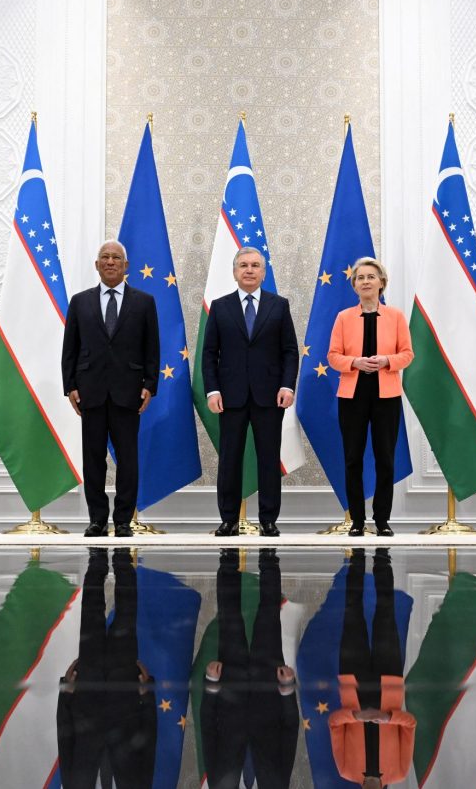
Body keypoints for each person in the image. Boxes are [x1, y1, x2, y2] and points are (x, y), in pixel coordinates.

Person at [62, 240, 159, 537]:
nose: (110, 262)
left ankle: (123, 521)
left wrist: (150, 385)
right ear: (97, 265)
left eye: (116, 257)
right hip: (90, 391)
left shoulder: (144, 302)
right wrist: (70, 386)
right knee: (93, 460)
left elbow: (151, 348)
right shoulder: (80, 302)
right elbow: (70, 348)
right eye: (104, 257)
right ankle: (97, 519)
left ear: (126, 265)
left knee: (128, 459)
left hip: (128, 391)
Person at [202, 248, 299, 537]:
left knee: (268, 459)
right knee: (230, 458)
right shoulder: (220, 307)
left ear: (264, 272)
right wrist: (212, 390)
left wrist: (287, 385)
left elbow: (290, 351)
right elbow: (209, 354)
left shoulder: (278, 305)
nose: (249, 270)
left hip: (270, 396)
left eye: (255, 265)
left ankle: (268, 519)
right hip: (229, 397)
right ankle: (228, 519)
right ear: (234, 272)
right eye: (243, 265)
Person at [326, 257, 414, 536]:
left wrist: (387, 360)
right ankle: (357, 522)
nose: (365, 281)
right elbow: (332, 356)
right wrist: (355, 363)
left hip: (386, 395)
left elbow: (408, 354)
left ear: (381, 283)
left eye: (371, 277)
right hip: (352, 395)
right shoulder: (343, 317)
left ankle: (382, 520)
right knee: (353, 458)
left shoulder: (396, 316)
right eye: (360, 277)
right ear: (354, 286)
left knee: (385, 458)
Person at [57, 548, 156, 789]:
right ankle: (123, 557)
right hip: (126, 693)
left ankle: (96, 558)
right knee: (126, 615)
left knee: (91, 614)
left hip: (86, 687)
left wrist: (66, 693)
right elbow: (148, 744)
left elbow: (66, 742)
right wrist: (148, 695)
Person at [201, 548, 299, 788]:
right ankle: (269, 557)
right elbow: (289, 730)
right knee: (268, 613)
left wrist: (212, 684)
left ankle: (228, 558)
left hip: (228, 683)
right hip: (270, 683)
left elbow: (207, 727)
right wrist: (287, 689)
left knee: (229, 616)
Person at [328, 549, 415, 789]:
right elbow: (410, 724)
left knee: (352, 611)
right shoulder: (399, 772)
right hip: (389, 682)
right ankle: (382, 556)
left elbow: (334, 723)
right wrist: (388, 718)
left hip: (353, 683)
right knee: (385, 613)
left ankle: (356, 557)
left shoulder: (346, 770)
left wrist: (355, 716)